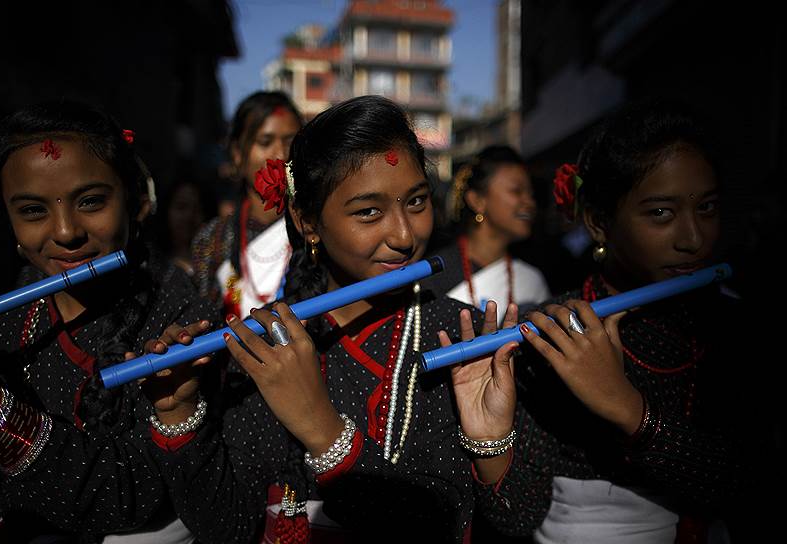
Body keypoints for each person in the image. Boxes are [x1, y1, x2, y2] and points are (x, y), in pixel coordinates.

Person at [151, 95, 520, 543]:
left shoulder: (462, 337)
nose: (405, 235)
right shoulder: (273, 344)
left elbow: (470, 520)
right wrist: (181, 415)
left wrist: (324, 431)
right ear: (307, 222)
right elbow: (230, 525)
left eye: (418, 201)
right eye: (369, 211)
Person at [475, 99, 758, 543]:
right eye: (661, 213)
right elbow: (519, 516)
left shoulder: (737, 325)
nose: (694, 238)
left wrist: (626, 406)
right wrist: (487, 439)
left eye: (706, 208)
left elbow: (751, 489)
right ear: (599, 222)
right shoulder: (551, 337)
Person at [0, 100, 220, 543]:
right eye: (33, 211)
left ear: (136, 201)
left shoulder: (182, 321)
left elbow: (132, 497)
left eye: (91, 202)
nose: (65, 232)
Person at [192, 91, 303, 319]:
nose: (280, 154)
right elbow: (203, 319)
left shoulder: (314, 228)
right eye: (265, 141)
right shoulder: (213, 239)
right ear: (236, 154)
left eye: (291, 141)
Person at [433, 145, 551, 317]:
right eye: (516, 191)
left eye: (531, 194)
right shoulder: (437, 272)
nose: (530, 203)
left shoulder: (531, 279)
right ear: (477, 200)